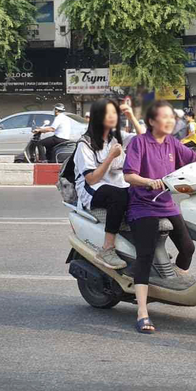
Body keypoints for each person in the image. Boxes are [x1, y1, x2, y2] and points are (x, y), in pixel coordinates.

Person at [124, 100, 196, 335]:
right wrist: (148, 182)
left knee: (188, 248)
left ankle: (172, 287)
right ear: (151, 121)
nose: (171, 121)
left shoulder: (171, 143)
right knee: (145, 257)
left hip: (167, 204)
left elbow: (193, 158)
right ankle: (142, 312)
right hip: (143, 206)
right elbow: (129, 175)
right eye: (165, 117)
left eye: (172, 117)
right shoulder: (139, 143)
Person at [75, 98, 144, 270]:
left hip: (116, 184)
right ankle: (107, 248)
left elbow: (144, 140)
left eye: (115, 112)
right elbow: (91, 179)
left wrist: (132, 116)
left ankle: (145, 245)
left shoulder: (116, 137)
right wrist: (110, 157)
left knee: (144, 192)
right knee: (118, 196)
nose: (113, 116)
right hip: (92, 189)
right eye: (108, 113)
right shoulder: (85, 144)